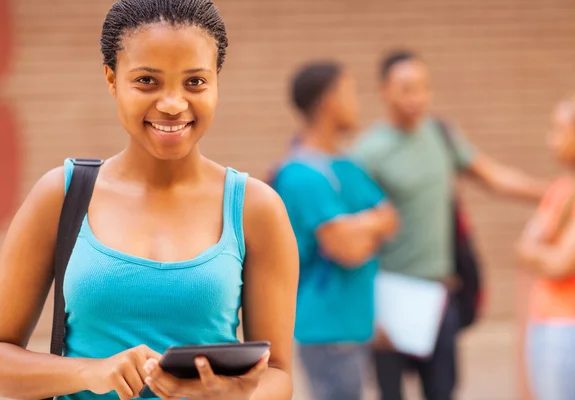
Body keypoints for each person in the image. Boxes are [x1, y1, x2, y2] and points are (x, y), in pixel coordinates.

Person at [0, 1, 299, 399]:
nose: (173, 104)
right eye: (146, 81)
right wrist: (91, 371)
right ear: (111, 78)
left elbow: (278, 374)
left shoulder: (256, 208)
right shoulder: (63, 195)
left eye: (195, 82)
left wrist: (233, 397)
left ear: (216, 82)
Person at [352, 50, 547, 400]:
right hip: (390, 298)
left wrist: (555, 193)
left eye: (424, 88)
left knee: (443, 391)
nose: (418, 98)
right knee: (390, 393)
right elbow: (357, 234)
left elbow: (493, 177)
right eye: (407, 89)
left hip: (440, 295)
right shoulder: (367, 154)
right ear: (383, 91)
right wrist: (368, 309)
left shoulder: (440, 134)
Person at [271, 61, 399, 400]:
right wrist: (366, 228)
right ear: (329, 102)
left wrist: (356, 227)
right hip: (327, 330)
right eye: (351, 94)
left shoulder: (347, 165)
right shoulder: (299, 175)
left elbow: (390, 217)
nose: (357, 104)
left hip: (357, 325)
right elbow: (350, 251)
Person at [518, 89, 575, 400]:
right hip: (551, 318)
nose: (551, 139)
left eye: (559, 131)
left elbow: (558, 264)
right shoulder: (562, 189)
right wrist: (545, 254)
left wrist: (542, 253)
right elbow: (523, 248)